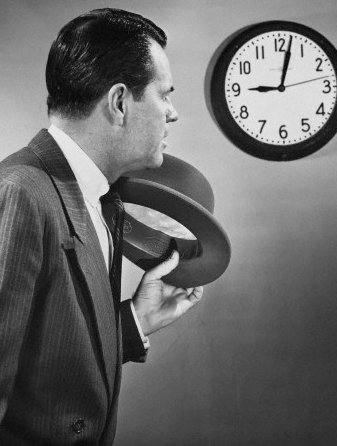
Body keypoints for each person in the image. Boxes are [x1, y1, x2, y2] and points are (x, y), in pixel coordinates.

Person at [0, 8, 203, 445]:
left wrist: (133, 322)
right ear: (119, 102)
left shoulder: (99, 195)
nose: (173, 113)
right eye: (164, 95)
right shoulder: (19, 193)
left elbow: (48, 362)